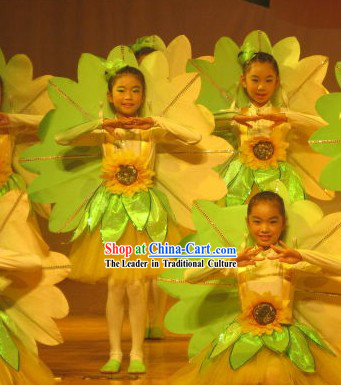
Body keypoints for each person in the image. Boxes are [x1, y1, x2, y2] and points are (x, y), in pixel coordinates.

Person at [23, 46, 229, 374]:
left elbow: (191, 138)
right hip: (113, 213)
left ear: (143, 96)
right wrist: (99, 125)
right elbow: (63, 138)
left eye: (135, 90)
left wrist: (157, 120)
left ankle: (136, 353)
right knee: (116, 285)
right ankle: (115, 351)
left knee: (136, 285)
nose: (129, 96)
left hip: (145, 213)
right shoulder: (106, 128)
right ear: (110, 94)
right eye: (122, 90)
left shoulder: (151, 129)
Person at [165, 190, 341, 385]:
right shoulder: (241, 262)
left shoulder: (289, 262)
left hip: (284, 338)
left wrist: (303, 255)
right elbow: (190, 276)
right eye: (257, 221)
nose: (264, 228)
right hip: (245, 337)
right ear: (248, 223)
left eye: (272, 221)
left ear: (283, 224)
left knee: (274, 376)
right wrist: (228, 260)